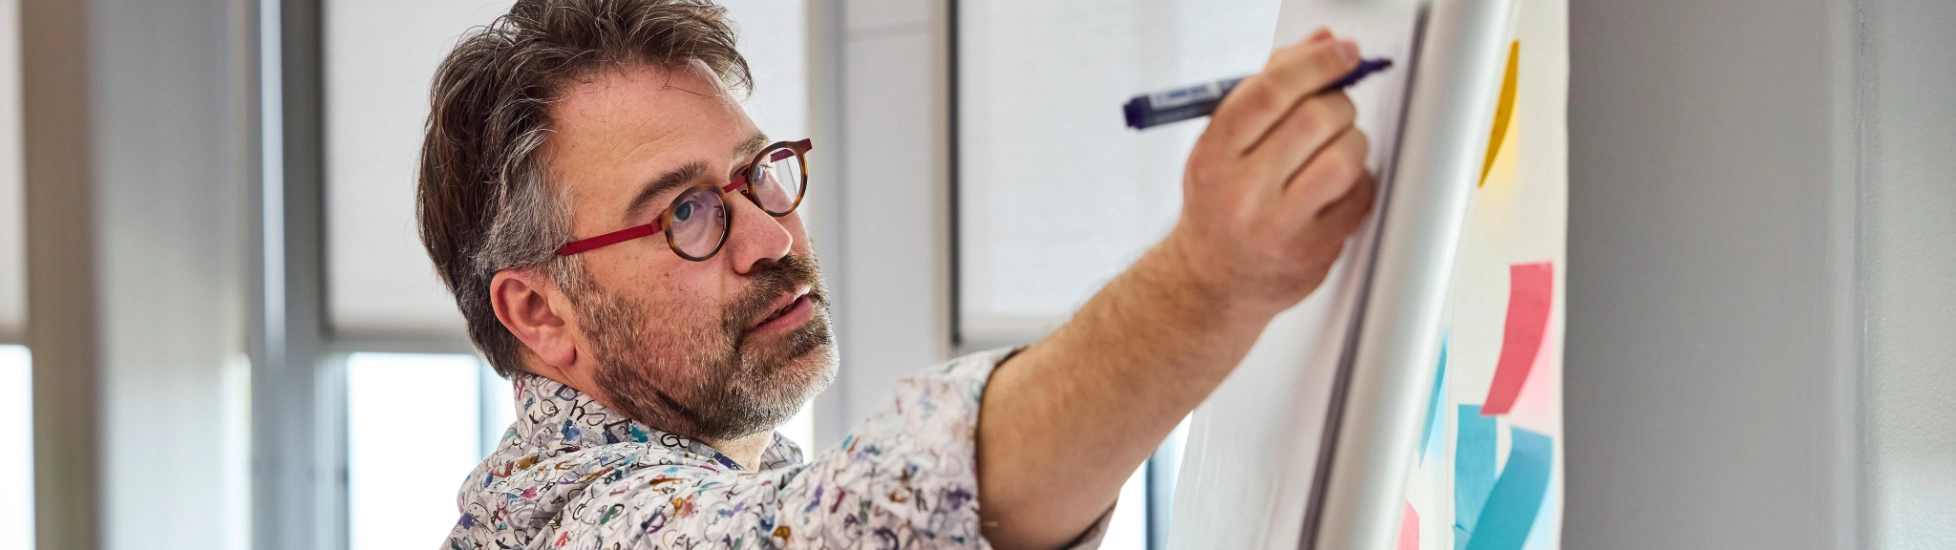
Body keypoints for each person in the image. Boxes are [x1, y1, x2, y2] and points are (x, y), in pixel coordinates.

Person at [420, 1, 1374, 548]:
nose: (770, 238)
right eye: (685, 212)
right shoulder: (575, 523)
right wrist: (1210, 277)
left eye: (759, 175)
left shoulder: (743, 469)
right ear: (540, 314)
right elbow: (863, 523)